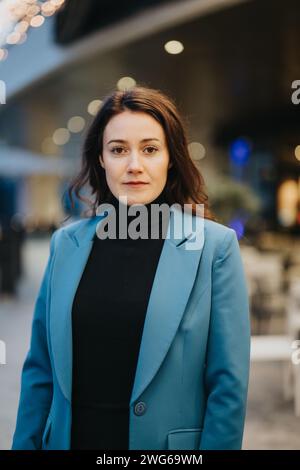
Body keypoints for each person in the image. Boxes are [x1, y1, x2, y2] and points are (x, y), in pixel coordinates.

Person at [11, 86, 251, 450]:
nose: (134, 164)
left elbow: (228, 385)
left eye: (150, 149)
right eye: (119, 149)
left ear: (171, 157)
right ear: (101, 159)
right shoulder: (67, 245)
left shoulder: (213, 247)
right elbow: (40, 371)